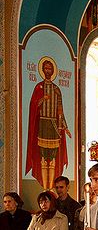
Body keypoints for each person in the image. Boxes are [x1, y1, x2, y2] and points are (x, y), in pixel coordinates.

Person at [26, 58, 71, 190]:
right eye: (45, 68)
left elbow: (60, 110)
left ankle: (51, 188)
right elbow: (33, 105)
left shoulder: (56, 89)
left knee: (52, 159)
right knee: (43, 159)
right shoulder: (38, 87)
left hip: (54, 126)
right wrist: (41, 99)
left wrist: (66, 127)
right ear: (42, 71)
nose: (48, 71)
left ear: (52, 71)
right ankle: (45, 189)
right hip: (42, 125)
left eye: (50, 69)